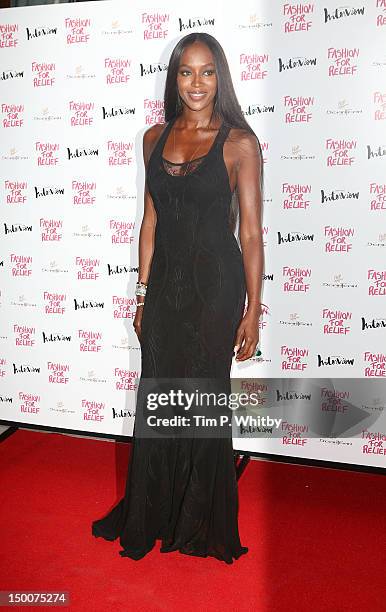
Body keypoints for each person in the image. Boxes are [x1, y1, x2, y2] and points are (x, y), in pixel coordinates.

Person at [92, 32, 264, 564]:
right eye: (186, 72)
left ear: (221, 78)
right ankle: (156, 512)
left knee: (203, 398)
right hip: (165, 288)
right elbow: (150, 222)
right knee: (161, 396)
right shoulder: (152, 138)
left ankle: (198, 521)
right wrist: (142, 296)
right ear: (174, 78)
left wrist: (252, 310)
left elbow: (252, 234)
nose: (196, 83)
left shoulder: (238, 143)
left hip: (216, 292)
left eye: (207, 72)